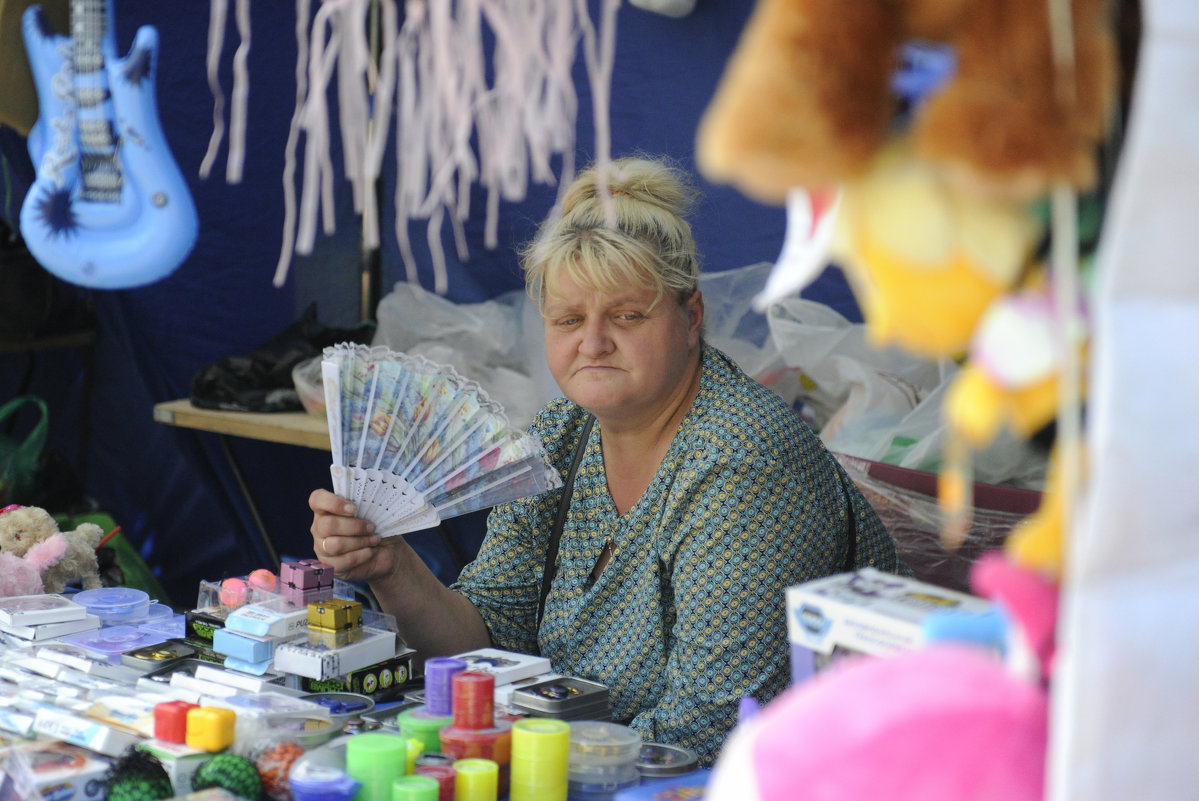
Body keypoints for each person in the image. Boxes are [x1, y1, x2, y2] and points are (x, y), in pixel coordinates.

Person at [309, 155, 910, 764]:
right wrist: (391, 566)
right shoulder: (561, 436)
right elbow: (484, 642)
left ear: (691, 317)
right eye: (569, 319)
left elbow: (707, 730)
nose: (593, 343)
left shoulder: (744, 460)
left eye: (627, 316)